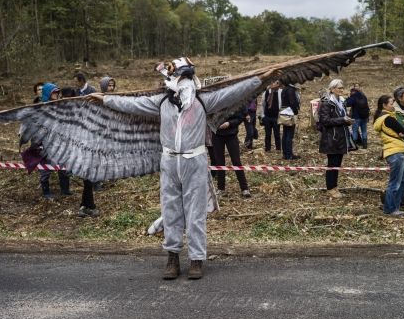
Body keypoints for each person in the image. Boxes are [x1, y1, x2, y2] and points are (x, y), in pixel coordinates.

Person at [87, 57, 279, 280]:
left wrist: (259, 79)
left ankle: (196, 259)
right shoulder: (160, 102)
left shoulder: (204, 101)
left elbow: (232, 92)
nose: (182, 82)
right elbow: (131, 105)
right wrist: (106, 99)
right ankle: (173, 258)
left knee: (195, 212)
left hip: (194, 161)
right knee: (171, 211)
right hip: (169, 162)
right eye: (178, 78)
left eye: (185, 77)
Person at [374, 95, 404, 216]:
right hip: (395, 152)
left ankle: (395, 205)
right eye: (391, 103)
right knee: (395, 182)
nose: (393, 105)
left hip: (394, 151)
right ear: (384, 106)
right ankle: (390, 208)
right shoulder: (388, 119)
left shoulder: (384, 118)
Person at [36, 83, 75, 199]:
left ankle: (65, 189)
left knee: (63, 165)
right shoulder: (41, 107)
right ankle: (46, 191)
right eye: (54, 92)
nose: (57, 94)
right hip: (46, 142)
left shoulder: (59, 106)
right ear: (48, 93)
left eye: (58, 92)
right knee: (46, 167)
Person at [318, 79, 355, 197]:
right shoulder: (326, 103)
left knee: (337, 164)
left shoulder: (342, 102)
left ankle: (334, 187)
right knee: (332, 164)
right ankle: (330, 188)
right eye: (339, 88)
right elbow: (325, 121)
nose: (342, 90)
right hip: (331, 138)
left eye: (342, 88)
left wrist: (348, 121)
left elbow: (342, 117)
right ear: (332, 89)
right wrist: (342, 120)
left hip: (341, 137)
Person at [212, 105, 251, 198]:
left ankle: (244, 188)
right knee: (219, 162)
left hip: (231, 135)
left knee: (236, 161)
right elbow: (208, 118)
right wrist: (216, 124)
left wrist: (229, 123)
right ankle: (221, 188)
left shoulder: (234, 101)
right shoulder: (216, 102)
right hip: (217, 136)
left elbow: (240, 117)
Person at [344, 82, 370, 149]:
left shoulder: (353, 97)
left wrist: (348, 98)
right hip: (364, 116)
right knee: (364, 130)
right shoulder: (363, 95)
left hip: (356, 117)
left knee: (355, 131)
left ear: (352, 92)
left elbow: (347, 104)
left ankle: (354, 145)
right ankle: (365, 145)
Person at [259, 79, 282, 153]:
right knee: (268, 134)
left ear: (278, 84)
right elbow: (262, 104)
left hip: (276, 117)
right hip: (267, 117)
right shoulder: (266, 93)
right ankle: (267, 149)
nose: (272, 84)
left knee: (277, 134)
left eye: (274, 82)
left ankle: (278, 148)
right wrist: (263, 116)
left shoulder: (281, 92)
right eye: (271, 82)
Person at [281, 83, 301, 159]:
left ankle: (285, 153)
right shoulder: (291, 90)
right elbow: (292, 102)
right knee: (289, 134)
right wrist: (296, 111)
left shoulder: (284, 89)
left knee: (285, 134)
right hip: (290, 113)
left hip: (284, 112)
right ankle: (289, 154)